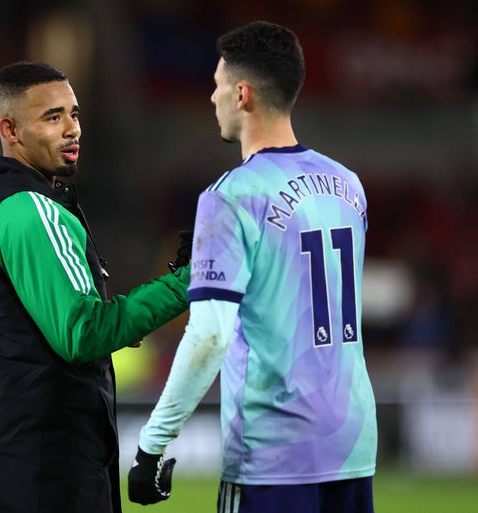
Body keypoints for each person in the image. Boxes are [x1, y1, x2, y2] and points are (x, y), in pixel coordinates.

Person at [128, 21, 377, 513]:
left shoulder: (232, 196)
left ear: (241, 94)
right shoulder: (349, 185)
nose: (212, 97)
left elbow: (210, 336)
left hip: (276, 452)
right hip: (353, 443)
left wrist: (151, 445)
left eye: (217, 85)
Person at [0, 61, 191, 513]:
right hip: (47, 457)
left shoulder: (0, 207)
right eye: (52, 117)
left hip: (15, 452)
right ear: (11, 129)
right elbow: (83, 332)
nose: (72, 130)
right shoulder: (31, 212)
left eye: (74, 114)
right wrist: (189, 281)